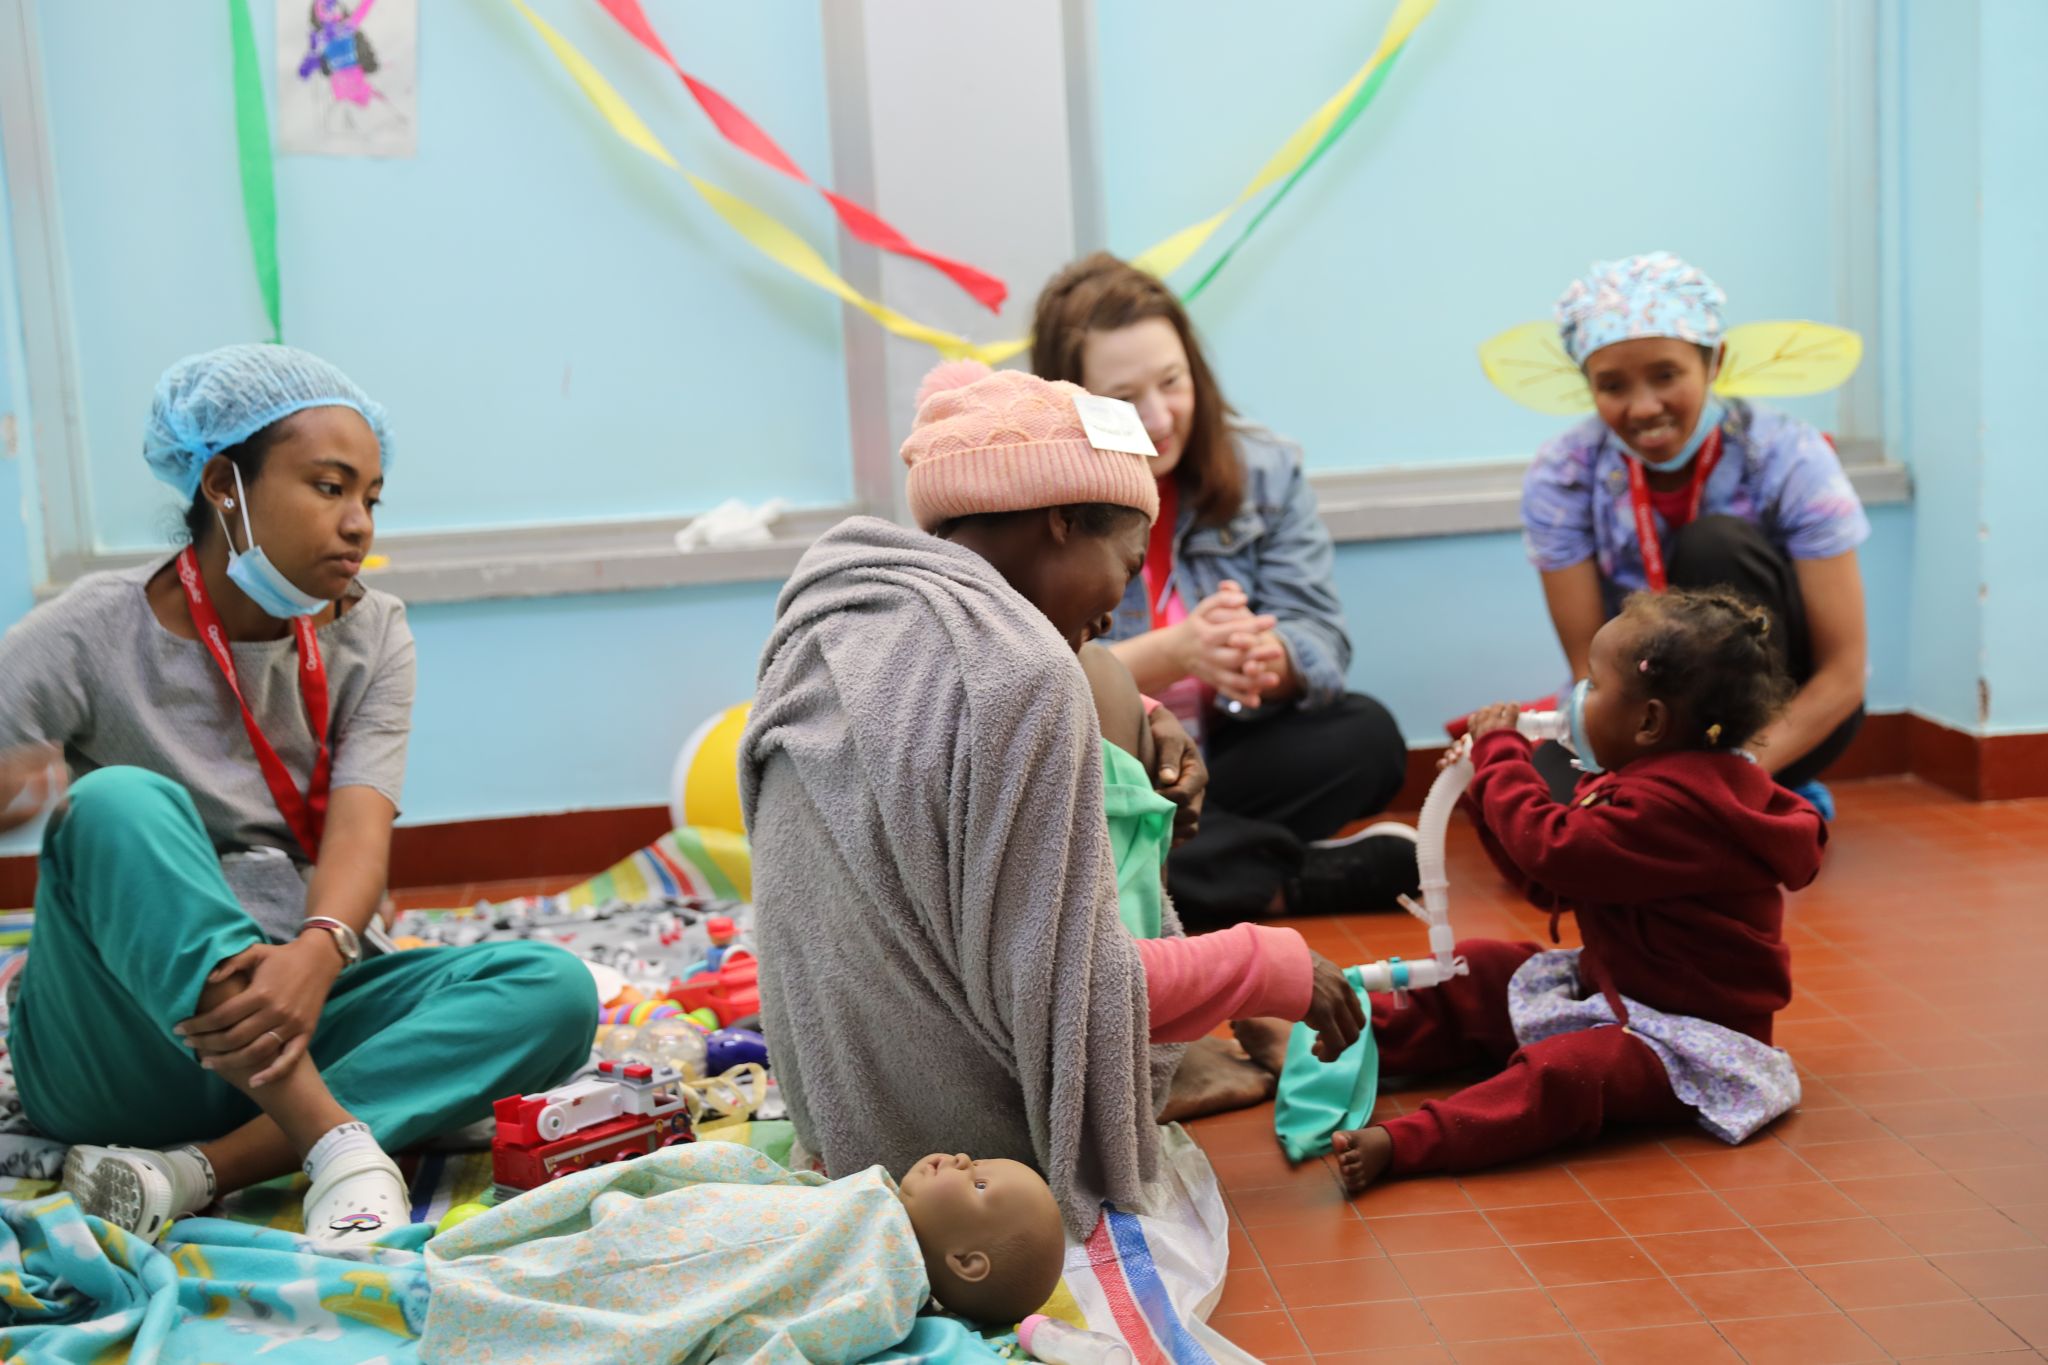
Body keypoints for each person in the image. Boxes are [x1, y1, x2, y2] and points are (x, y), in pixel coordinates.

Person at [740, 363, 1366, 1234]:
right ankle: (1177, 1056)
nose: (1122, 605)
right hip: (972, 1154)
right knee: (1094, 676)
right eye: (1128, 561)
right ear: (1063, 517)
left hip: (843, 1110)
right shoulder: (1023, 672)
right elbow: (1068, 989)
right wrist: (1266, 966)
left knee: (1104, 678)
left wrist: (1145, 717)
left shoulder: (854, 614)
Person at [0, 345, 596, 1244]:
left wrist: (317, 956)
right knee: (120, 801)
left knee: (551, 989)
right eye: (329, 487)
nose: (358, 523)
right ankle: (337, 1144)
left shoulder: (374, 634)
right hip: (117, 1040)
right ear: (221, 486)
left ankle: (194, 1170)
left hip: (299, 1004)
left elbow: (360, 829)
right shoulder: (94, 629)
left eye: (371, 497)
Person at [1329, 589, 1826, 1193]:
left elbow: (1553, 848)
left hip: (1685, 1041)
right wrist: (1487, 794)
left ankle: (1414, 1140)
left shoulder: (1680, 810)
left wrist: (1502, 760)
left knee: (1569, 1072)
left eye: (1592, 682)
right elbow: (1552, 883)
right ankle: (1336, 1047)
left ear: (1648, 722)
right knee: (1482, 968)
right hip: (1615, 993)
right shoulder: (1649, 784)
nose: (1576, 698)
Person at [1031, 253, 1417, 924]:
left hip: (1224, 761)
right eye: (1124, 399)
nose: (1158, 418)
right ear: (1072, 401)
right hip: (1107, 765)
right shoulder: (1037, 502)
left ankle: (1183, 872)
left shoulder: (1263, 468)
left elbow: (1320, 633)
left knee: (1370, 736)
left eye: (1172, 382)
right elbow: (1028, 686)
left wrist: (1275, 661)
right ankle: (1284, 881)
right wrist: (1174, 653)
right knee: (1061, 826)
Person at [1520, 252, 1869, 814]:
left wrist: (1739, 770)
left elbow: (1844, 674)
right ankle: (1752, 805)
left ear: (1714, 362)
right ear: (1586, 383)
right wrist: (1637, 784)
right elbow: (1590, 665)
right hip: (1636, 720)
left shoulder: (1788, 454)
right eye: (1612, 385)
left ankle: (1763, 784)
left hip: (1781, 711)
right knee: (1547, 826)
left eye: (1666, 374)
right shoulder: (1563, 474)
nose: (1643, 407)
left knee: (1717, 543)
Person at [425, 1143, 1066, 1360]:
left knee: (604, 1278)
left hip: (696, 1269)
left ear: (967, 1264)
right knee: (607, 1235)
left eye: (978, 1181)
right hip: (677, 1227)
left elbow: (790, 1338)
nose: (959, 1157)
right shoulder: (858, 1194)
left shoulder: (882, 1290)